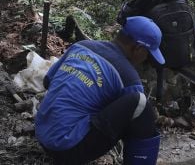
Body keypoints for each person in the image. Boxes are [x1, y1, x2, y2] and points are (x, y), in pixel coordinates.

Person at [35, 16, 164, 165]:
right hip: (68, 148)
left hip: (43, 134)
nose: (145, 58)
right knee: (141, 104)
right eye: (147, 54)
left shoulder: (81, 46)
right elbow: (132, 121)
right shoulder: (129, 78)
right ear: (138, 48)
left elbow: (47, 81)